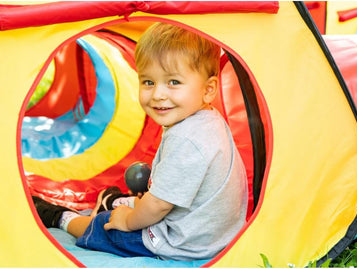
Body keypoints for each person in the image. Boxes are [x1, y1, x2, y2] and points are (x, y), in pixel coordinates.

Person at [32, 22, 248, 261]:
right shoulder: (209, 120)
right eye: (148, 82)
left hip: (183, 244)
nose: (157, 94)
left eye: (173, 82)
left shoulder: (187, 140)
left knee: (105, 227)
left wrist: (126, 221)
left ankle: (60, 217)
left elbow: (158, 206)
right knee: (143, 202)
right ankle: (116, 201)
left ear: (209, 90)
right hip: (214, 233)